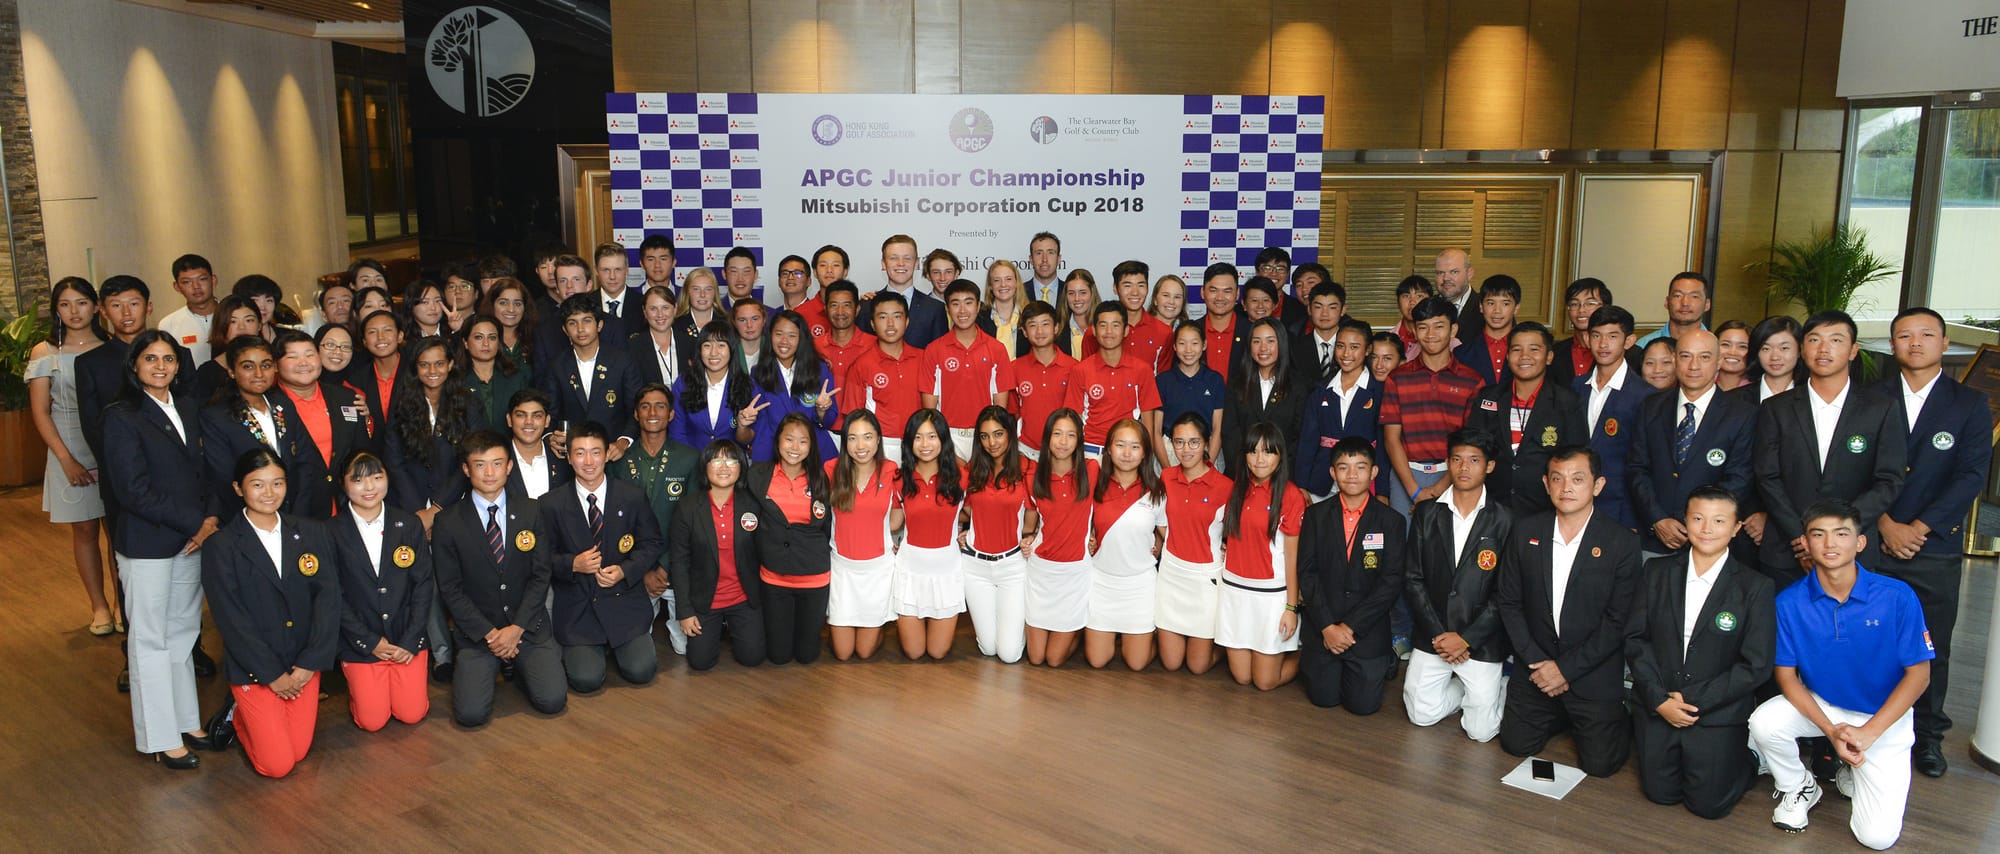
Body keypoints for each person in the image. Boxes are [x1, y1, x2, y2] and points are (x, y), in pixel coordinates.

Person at [1750, 500, 1932, 849]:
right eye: (1819, 534)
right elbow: (1787, 678)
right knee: (1764, 723)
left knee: (1876, 839)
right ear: (1805, 542)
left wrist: (1868, 733)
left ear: (1860, 543)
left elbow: (1919, 675)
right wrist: (1832, 732)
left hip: (1884, 719)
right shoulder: (1788, 603)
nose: (1830, 544)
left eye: (1841, 534)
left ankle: (1855, 769)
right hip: (1827, 706)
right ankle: (1799, 786)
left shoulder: (1897, 596)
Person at [1870, 307, 1991, 776]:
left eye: (1926, 335)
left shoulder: (1969, 404)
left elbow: (1970, 476)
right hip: (1874, 541)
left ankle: (1928, 736)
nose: (1915, 343)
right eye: (1903, 335)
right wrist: (1883, 524)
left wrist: (1917, 528)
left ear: (1945, 344)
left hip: (1932, 546)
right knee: (1869, 641)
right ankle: (1870, 727)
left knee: (1929, 644)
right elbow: (1851, 468)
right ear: (1892, 345)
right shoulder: (1870, 397)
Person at [101, 331, 223, 768]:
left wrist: (210, 519)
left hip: (192, 539)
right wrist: (195, 521)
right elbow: (132, 490)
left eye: (168, 358)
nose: (160, 366)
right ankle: (159, 737)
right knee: (150, 639)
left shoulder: (188, 406)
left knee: (183, 633)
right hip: (148, 543)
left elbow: (205, 472)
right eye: (150, 358)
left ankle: (187, 721)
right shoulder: (121, 415)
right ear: (134, 364)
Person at [1625, 486, 1775, 819]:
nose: (1707, 529)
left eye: (1719, 520)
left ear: (1736, 529)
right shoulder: (1656, 572)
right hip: (1659, 704)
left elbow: (1756, 666)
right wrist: (1660, 700)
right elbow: (1635, 639)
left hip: (1716, 709)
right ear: (1686, 521)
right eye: (1698, 518)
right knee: (1659, 795)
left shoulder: (1755, 587)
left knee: (1708, 807)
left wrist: (1693, 699)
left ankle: (1751, 759)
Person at [1497, 446, 1642, 777]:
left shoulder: (1621, 542)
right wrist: (1538, 662)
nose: (1566, 488)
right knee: (1515, 745)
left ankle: (1610, 716)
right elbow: (1509, 602)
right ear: (1546, 485)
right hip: (1536, 665)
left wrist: (1565, 670)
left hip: (1591, 671)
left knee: (1601, 766)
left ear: (1598, 485)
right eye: (1557, 479)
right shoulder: (1525, 531)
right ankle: (1561, 713)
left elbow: (1618, 620)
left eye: (1578, 479)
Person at [201, 448, 337, 778]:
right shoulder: (222, 546)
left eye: (277, 483)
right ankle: (238, 716)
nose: (269, 493)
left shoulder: (311, 532)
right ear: (238, 489)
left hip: (302, 664)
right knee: (277, 766)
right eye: (258, 485)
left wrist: (309, 664)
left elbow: (329, 600)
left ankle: (253, 717)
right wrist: (272, 675)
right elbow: (231, 620)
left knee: (299, 751)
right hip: (256, 669)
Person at [1752, 311, 1906, 589]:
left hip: (1853, 552)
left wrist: (1837, 534)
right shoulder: (1776, 408)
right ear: (1802, 349)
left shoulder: (1881, 408)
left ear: (1853, 350)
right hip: (1788, 549)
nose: (1823, 349)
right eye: (1814, 340)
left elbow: (1888, 480)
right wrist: (1803, 535)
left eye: (1835, 340)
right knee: (1782, 630)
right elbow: (1767, 477)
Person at [432, 431, 567, 726]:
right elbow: (450, 589)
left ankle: (516, 666)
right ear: (466, 470)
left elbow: (540, 574)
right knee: (471, 715)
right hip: (480, 634)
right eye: (480, 465)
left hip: (527, 626)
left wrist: (517, 628)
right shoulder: (448, 522)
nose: (489, 472)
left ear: (509, 467)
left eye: (497, 463)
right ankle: (501, 660)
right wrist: (492, 635)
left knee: (553, 700)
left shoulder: (530, 510)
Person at [1403, 429, 1512, 741]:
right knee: (1421, 715)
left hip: (1480, 638)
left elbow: (1504, 593)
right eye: (1457, 460)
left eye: (1474, 460)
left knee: (1482, 732)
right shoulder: (1427, 512)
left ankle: (1497, 688)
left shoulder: (1506, 520)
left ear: (1489, 466)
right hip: (1434, 634)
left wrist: (1466, 639)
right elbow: (1413, 579)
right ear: (1448, 464)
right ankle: (1466, 690)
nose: (1464, 468)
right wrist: (1440, 635)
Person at [542, 421, 663, 692]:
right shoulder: (550, 504)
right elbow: (540, 558)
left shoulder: (631, 497)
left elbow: (652, 542)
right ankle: (594, 648)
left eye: (595, 452)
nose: (588, 461)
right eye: (580, 453)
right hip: (578, 607)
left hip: (623, 601)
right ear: (570, 458)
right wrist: (572, 564)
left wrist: (626, 570)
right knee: (586, 681)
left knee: (641, 671)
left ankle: (613, 644)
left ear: (607, 453)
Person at [27, 277, 114, 633]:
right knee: (84, 529)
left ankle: (125, 603)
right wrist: (65, 458)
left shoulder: (111, 348)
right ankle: (100, 607)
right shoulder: (44, 352)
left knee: (118, 530)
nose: (74, 311)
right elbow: (40, 412)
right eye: (65, 304)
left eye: (81, 302)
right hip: (67, 446)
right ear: (56, 310)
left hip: (110, 447)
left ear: (96, 307)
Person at [1296, 437, 1406, 714]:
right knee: (1323, 698)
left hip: (1365, 631)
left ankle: (1384, 661)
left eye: (1360, 467)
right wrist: (1328, 627)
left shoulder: (1391, 521)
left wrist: (1350, 627)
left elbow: (1391, 581)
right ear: (1333, 473)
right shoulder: (1315, 516)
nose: (1352, 475)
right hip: (1324, 627)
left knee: (1363, 706)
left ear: (1374, 472)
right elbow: (1306, 574)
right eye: (1343, 468)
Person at [1629, 329, 1757, 561]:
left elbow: (1740, 479)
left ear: (1718, 362)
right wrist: (1657, 519)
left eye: (1705, 357)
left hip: (1712, 541)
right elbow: (1637, 468)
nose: (1694, 366)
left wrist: (1698, 522)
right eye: (1686, 356)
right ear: (1676, 360)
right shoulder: (1651, 407)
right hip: (1654, 538)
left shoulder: (1742, 415)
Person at [330, 450, 434, 732]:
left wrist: (411, 638)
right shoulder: (330, 531)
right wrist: (369, 641)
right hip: (361, 641)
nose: (370, 487)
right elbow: (332, 595)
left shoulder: (408, 524)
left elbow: (423, 584)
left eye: (377, 477)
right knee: (371, 722)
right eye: (359, 480)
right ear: (343, 483)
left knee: (412, 714)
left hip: (406, 638)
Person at [1461, 322, 1587, 515]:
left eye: (1534, 349)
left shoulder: (1567, 402)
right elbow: (1473, 449)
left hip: (1545, 509)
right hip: (1492, 508)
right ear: (1507, 355)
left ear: (1549, 357)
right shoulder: (1488, 397)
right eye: (1516, 349)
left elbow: (1577, 456)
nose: (1524, 357)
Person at [1217, 422, 1306, 690]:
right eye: (1253, 451)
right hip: (1234, 590)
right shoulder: (1235, 489)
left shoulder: (1290, 496)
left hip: (1270, 595)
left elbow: (1292, 559)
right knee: (1243, 677)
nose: (1259, 459)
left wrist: (1291, 608)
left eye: (1268, 452)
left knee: (1265, 682)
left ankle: (1307, 654)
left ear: (1280, 456)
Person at [669, 440, 767, 671]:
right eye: (716, 460)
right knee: (700, 662)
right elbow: (679, 562)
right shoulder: (688, 507)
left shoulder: (753, 504)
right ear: (705, 466)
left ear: (741, 466)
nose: (724, 467)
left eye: (731, 460)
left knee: (752, 658)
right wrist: (685, 611)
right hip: (706, 600)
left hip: (743, 597)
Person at [1381, 296, 1483, 516]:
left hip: (1455, 473)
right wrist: (1414, 491)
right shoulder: (1397, 378)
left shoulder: (1472, 381)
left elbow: (1470, 441)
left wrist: (1439, 487)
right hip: (1406, 474)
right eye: (1423, 328)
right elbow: (1391, 439)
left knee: (1449, 545)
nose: (1431, 335)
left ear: (1453, 330)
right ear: (1415, 333)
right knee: (1405, 545)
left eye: (1439, 326)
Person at [615, 384, 698, 655]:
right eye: (645, 406)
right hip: (634, 568)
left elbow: (694, 523)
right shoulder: (618, 460)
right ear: (636, 415)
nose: (652, 412)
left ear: (671, 415)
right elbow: (616, 525)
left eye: (660, 406)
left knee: (689, 650)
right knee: (633, 652)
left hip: (676, 567)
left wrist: (663, 568)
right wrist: (643, 570)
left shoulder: (689, 459)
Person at [747, 415, 835, 665]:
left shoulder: (822, 479)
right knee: (778, 656)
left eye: (803, 441)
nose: (795, 448)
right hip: (774, 578)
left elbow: (827, 527)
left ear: (811, 446)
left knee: (807, 656)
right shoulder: (758, 475)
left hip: (814, 578)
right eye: (789, 439)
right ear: (778, 441)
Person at [1156, 413, 1231, 675]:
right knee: (1171, 663)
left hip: (1204, 580)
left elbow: (1237, 532)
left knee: (1198, 667)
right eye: (1179, 442)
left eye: (1193, 442)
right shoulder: (1165, 478)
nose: (1185, 450)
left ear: (1207, 443)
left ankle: (1226, 646)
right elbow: (1155, 520)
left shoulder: (1225, 486)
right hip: (1171, 574)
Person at [1084, 418, 1161, 671]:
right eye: (1120, 445)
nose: (1127, 454)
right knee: (1097, 660)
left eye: (1135, 447)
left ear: (1145, 453)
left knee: (1136, 663)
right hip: (1102, 580)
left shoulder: (1157, 490)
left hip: (1139, 584)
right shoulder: (1095, 483)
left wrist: (1158, 543)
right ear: (1108, 448)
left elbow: (1168, 531)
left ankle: (1149, 639)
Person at [959, 405, 1034, 663]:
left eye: (998, 434)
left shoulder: (1027, 468)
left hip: (1012, 566)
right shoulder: (972, 470)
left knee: (1009, 654)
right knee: (988, 648)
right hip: (975, 566)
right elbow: (961, 511)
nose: (992, 442)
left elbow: (1039, 513)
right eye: (984, 436)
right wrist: (962, 531)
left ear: (1010, 434)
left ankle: (1020, 628)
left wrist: (1033, 536)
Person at [826, 410, 902, 661]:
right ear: (844, 441)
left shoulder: (892, 470)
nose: (860, 446)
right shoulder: (831, 470)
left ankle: (880, 623)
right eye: (853, 438)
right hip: (843, 570)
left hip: (877, 570)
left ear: (879, 439)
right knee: (843, 653)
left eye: (867, 437)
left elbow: (897, 519)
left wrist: (884, 537)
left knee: (864, 651)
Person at [893, 409, 967, 660]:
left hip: (946, 570)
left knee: (937, 652)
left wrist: (967, 533)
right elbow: (890, 521)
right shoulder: (898, 479)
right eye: (918, 437)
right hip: (910, 569)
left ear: (943, 439)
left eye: (932, 436)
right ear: (909, 442)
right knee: (913, 652)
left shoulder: (961, 478)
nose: (925, 444)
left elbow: (981, 512)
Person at [272, 329, 369, 519]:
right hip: (295, 511)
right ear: (276, 365)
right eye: (293, 357)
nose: (304, 363)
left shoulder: (346, 398)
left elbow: (362, 451)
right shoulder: (269, 405)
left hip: (347, 507)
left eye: (310, 355)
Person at [384, 336, 477, 527]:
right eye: (424, 365)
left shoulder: (469, 404)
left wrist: (436, 508)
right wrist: (419, 512)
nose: (432, 371)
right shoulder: (401, 404)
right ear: (416, 369)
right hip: (407, 505)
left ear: (450, 365)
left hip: (454, 503)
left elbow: (471, 458)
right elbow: (394, 462)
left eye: (439, 364)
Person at [1024, 409, 1092, 667]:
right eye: (1057, 434)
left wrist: (1096, 535)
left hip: (1075, 573)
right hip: (1041, 571)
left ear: (1079, 441)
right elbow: (1029, 525)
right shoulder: (1032, 476)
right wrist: (1026, 539)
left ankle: (1081, 632)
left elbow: (1108, 510)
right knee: (1037, 657)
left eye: (1070, 435)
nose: (1063, 442)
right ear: (1047, 438)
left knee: (1053, 660)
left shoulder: (1093, 471)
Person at [1573, 306, 1650, 530]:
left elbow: (1643, 463)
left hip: (1621, 508)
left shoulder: (1644, 395)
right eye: (1596, 336)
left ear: (1629, 341)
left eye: (1613, 336)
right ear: (1587, 338)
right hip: (1576, 504)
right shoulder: (1577, 386)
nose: (1603, 344)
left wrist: (1632, 517)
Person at [199, 336, 291, 520]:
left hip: (292, 511)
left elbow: (303, 460)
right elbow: (224, 477)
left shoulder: (282, 403)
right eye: (248, 366)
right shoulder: (217, 416)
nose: (259, 373)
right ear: (232, 371)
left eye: (265, 365)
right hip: (246, 516)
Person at [921, 280, 1014, 460]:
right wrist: (942, 443)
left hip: (985, 437)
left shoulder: (996, 349)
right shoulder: (934, 350)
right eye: (955, 304)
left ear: (978, 306)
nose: (962, 310)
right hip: (948, 437)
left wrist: (991, 439)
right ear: (947, 308)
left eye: (968, 302)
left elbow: (1000, 408)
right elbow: (930, 410)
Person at [539, 295, 640, 460]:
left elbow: (636, 410)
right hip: (574, 458)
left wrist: (624, 441)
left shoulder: (622, 361)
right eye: (572, 323)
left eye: (586, 321)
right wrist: (550, 437)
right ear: (565, 330)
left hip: (614, 454)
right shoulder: (557, 366)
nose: (580, 329)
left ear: (599, 325)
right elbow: (550, 414)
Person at [1294, 318, 1380, 502]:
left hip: (1364, 480)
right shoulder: (1320, 391)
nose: (1346, 353)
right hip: (1321, 481)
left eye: (1354, 347)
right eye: (1340, 346)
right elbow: (1307, 442)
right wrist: (1300, 485)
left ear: (1368, 350)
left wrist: (1382, 491)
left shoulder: (1379, 390)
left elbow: (1383, 443)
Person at [1065, 302, 1163, 460]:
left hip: (1128, 452)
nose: (1109, 332)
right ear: (1094, 331)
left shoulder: (1142, 370)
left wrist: (1146, 460)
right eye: (1103, 325)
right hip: (1091, 452)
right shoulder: (1080, 370)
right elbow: (1073, 420)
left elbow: (1147, 422)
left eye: (1115, 325)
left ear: (1126, 331)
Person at [841, 292, 928, 461]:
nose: (890, 324)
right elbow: (853, 417)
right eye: (882, 317)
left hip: (921, 444)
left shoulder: (923, 358)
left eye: (897, 316)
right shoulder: (861, 365)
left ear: (907, 321)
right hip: (883, 446)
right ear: (873, 324)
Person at [749, 310, 840, 461]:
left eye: (792, 336)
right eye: (778, 334)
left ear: (801, 339)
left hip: (815, 453)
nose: (784, 341)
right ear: (770, 336)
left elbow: (829, 421)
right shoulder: (758, 373)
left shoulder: (819, 369)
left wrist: (822, 410)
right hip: (773, 452)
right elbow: (760, 423)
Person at [670, 320, 760, 452]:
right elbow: (677, 431)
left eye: (721, 345)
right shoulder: (685, 382)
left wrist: (742, 426)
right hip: (691, 462)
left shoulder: (747, 385)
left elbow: (748, 439)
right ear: (700, 350)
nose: (713, 353)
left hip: (731, 464)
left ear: (731, 349)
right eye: (707, 345)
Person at [1010, 301, 1076, 462]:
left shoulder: (1074, 367)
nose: (1039, 331)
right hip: (1026, 451)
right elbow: (1012, 413)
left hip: (1064, 452)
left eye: (1045, 324)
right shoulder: (1015, 368)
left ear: (1056, 327)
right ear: (1024, 332)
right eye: (1032, 325)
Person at [1155, 320, 1225, 469]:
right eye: (1182, 343)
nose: (1188, 350)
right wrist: (1167, 469)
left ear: (1204, 345)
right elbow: (1156, 431)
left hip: (1206, 451)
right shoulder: (1163, 381)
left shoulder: (1215, 380)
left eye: (1194, 343)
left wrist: (1208, 467)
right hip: (1171, 451)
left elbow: (1217, 428)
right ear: (1174, 346)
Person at [858, 235, 946, 348]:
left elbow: (940, 354)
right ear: (883, 264)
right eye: (894, 258)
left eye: (907, 258)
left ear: (917, 263)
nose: (901, 263)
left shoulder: (935, 308)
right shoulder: (866, 306)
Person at [460, 315, 530, 432]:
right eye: (478, 337)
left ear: (499, 343)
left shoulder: (517, 377)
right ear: (466, 343)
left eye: (492, 338)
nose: (486, 343)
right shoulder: (457, 380)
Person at [190, 296, 263, 405]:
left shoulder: (275, 363)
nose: (242, 327)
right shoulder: (207, 373)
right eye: (232, 321)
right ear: (221, 326)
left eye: (249, 320)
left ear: (260, 325)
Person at [1453, 274, 1520, 387]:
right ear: (1481, 306)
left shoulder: (1528, 352)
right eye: (1490, 303)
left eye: (1505, 303)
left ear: (1516, 308)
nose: (1497, 311)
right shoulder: (1461, 353)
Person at [504, 388, 571, 498]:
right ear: (509, 420)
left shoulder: (563, 459)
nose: (529, 422)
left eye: (537, 416)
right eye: (521, 415)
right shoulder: (498, 460)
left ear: (547, 421)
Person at [1112, 260, 1172, 373]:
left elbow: (1164, 381)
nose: (1135, 292)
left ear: (1148, 288)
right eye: (1127, 285)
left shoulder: (1164, 332)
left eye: (1141, 285)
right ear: (1115, 288)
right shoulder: (1098, 332)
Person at [158, 254, 219, 365]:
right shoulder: (168, 324)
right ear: (177, 287)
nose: (196, 286)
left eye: (202, 279)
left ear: (213, 280)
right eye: (187, 282)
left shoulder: (233, 315)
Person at [1551, 278, 1613, 386]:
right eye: (1574, 304)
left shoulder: (1623, 352)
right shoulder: (1554, 352)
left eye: (1590, 303)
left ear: (1606, 307)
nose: (1581, 310)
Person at [814, 280, 875, 391]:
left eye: (846, 305)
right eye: (834, 305)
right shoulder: (814, 347)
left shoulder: (874, 345)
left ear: (857, 309)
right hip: (823, 408)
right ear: (825, 309)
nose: (840, 312)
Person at [357, 310, 406, 439]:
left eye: (387, 330)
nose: (380, 337)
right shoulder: (356, 381)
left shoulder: (416, 373)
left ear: (400, 336)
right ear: (364, 341)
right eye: (372, 332)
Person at [630, 285, 689, 391]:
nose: (660, 314)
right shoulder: (633, 348)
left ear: (675, 309)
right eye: (653, 309)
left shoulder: (691, 344)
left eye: (665, 308)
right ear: (645, 312)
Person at [1198, 264, 1250, 381]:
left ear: (1237, 294)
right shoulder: (1191, 330)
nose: (1220, 297)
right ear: (1202, 292)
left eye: (1227, 291)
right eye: (1213, 290)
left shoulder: (1251, 332)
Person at [1293, 280, 1349, 388]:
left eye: (1332, 307)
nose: (1324, 313)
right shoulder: (1295, 347)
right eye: (1318, 307)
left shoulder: (1353, 347)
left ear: (1343, 310)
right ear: (1309, 309)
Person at [1636, 272, 1712, 348]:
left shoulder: (1715, 347)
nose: (1685, 303)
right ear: (1667, 302)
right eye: (1677, 296)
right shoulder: (1643, 346)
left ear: (1707, 305)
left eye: (1694, 297)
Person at [590, 242, 644, 348]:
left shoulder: (642, 304)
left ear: (627, 269)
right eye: (606, 270)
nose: (612, 276)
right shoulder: (587, 304)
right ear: (596, 270)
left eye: (618, 269)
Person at [1740, 315, 1803, 404]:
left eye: (1784, 348)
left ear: (1800, 351)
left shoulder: (1811, 399)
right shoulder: (1735, 400)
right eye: (1766, 349)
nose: (1775, 357)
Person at [481, 278, 539, 370]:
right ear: (492, 305)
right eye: (503, 303)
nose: (511, 309)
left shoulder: (536, 338)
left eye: (518, 304)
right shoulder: (481, 340)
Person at [977, 259, 1027, 355]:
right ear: (990, 286)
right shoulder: (979, 318)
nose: (1003, 284)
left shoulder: (1029, 316)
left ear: (1016, 283)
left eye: (1008, 279)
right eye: (997, 280)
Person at [1431, 249, 1482, 332]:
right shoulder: (1427, 306)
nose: (1446, 278)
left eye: (1454, 272)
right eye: (1440, 273)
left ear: (1469, 274)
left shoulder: (1485, 309)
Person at [1390, 275, 1436, 358]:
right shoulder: (1388, 338)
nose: (1412, 302)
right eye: (1406, 296)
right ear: (1398, 303)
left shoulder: (1441, 337)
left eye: (1419, 296)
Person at [1056, 270, 1098, 360]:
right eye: (1071, 293)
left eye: (1083, 292)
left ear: (1092, 293)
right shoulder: (1057, 331)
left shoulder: (1104, 327)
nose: (1077, 298)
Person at [1024, 231, 1065, 304]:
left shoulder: (1070, 291)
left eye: (1050, 253)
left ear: (1058, 259)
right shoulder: (1019, 292)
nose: (1044, 259)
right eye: (1039, 253)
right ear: (1031, 259)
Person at [1715, 320, 1752, 392]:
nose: (1732, 352)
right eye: (1725, 344)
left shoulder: (1759, 393)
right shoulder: (1700, 384)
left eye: (1742, 347)